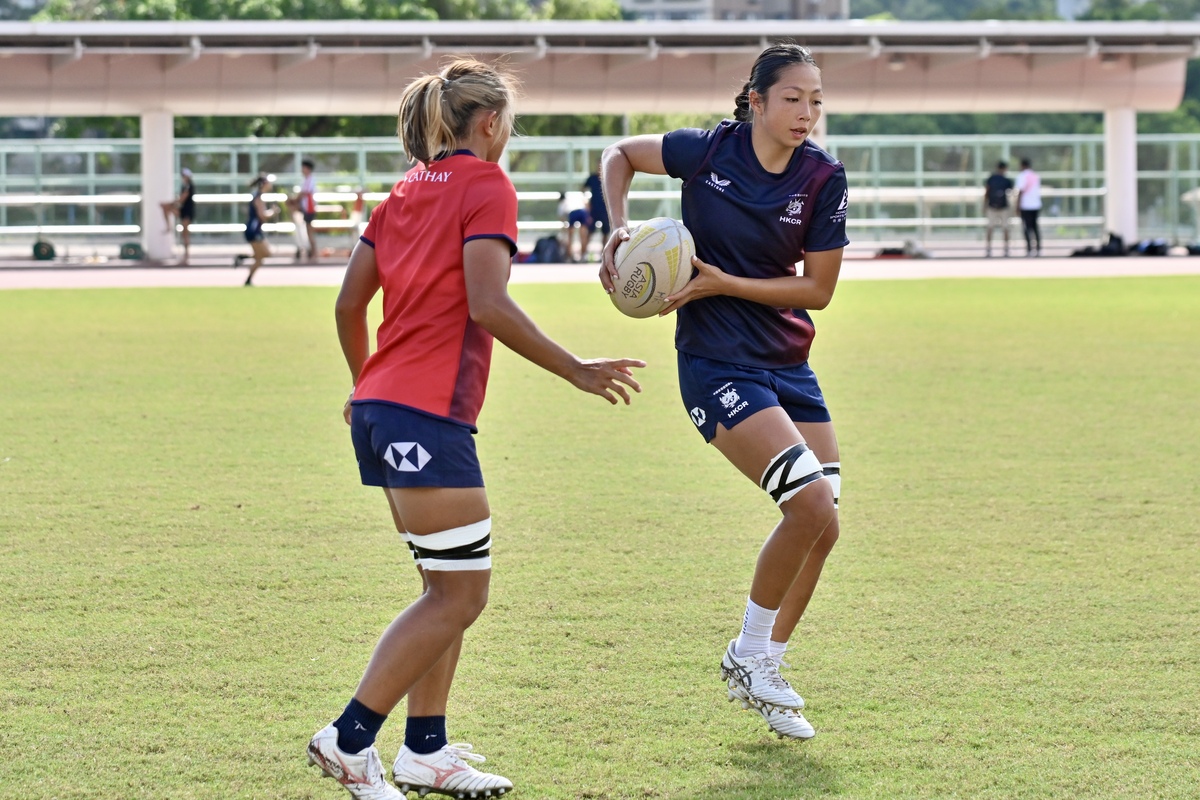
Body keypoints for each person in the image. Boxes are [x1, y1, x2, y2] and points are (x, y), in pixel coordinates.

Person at [307, 58, 645, 800]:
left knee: (442, 586)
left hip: (385, 409)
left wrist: (365, 384)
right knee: (459, 596)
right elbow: (487, 303)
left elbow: (346, 305)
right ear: (489, 123)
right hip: (424, 414)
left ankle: (425, 749)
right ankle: (349, 736)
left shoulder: (401, 190)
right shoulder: (486, 183)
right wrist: (576, 368)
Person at [599, 42, 847, 741]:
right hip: (715, 363)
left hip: (787, 362)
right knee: (807, 503)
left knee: (825, 526)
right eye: (793, 98)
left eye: (816, 100)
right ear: (758, 101)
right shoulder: (709, 151)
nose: (806, 112)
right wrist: (616, 229)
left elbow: (818, 291)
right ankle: (750, 654)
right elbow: (619, 154)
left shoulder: (824, 176)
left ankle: (761, 664)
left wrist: (720, 282)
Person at [241, 174, 275, 286]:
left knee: (261, 256)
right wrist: (273, 212)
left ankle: (248, 278)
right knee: (264, 255)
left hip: (254, 229)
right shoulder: (258, 197)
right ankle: (247, 276)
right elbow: (262, 215)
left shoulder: (257, 196)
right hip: (253, 230)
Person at [159, 167, 196, 264]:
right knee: (165, 208)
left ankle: (186, 256)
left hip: (187, 212)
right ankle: (168, 226)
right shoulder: (185, 186)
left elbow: (182, 199)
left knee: (185, 234)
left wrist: (171, 204)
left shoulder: (188, 186)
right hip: (183, 210)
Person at [983, 160, 1014, 258]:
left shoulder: (992, 179)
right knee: (1003, 228)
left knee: (991, 228)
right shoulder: (1005, 180)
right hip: (1000, 207)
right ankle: (1005, 249)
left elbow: (987, 192)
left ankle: (990, 249)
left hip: (995, 206)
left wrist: (984, 204)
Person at [582, 162, 610, 262]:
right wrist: (586, 202)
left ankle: (604, 255)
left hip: (605, 210)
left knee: (605, 233)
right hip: (594, 210)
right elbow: (583, 188)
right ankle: (584, 255)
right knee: (589, 232)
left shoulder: (608, 177)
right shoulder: (592, 178)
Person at [1015, 157, 1042, 256]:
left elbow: (1020, 191)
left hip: (1026, 205)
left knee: (1027, 228)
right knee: (1035, 227)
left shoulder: (1022, 176)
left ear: (1023, 165)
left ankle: (1029, 249)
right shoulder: (1036, 175)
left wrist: (1017, 205)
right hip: (1036, 204)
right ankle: (1039, 248)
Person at [556, 191, 590, 262]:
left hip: (572, 212)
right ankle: (583, 256)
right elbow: (586, 204)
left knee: (570, 237)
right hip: (582, 211)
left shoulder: (563, 203)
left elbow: (562, 218)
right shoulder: (578, 196)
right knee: (583, 235)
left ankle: (570, 256)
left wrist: (564, 229)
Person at [299, 158, 319, 261]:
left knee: (310, 232)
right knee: (308, 231)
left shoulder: (309, 179)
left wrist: (295, 199)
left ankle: (314, 253)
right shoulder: (307, 179)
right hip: (307, 208)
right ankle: (313, 252)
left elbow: (304, 193)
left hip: (309, 208)